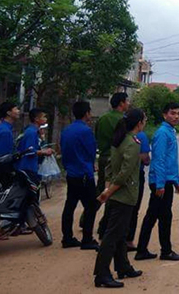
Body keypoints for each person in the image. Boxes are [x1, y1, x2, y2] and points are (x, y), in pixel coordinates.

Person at [93, 109, 147, 288]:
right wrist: (108, 191)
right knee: (112, 236)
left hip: (116, 193)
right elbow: (125, 174)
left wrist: (109, 188)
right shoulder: (133, 143)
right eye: (144, 120)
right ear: (139, 122)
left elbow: (109, 167)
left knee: (121, 233)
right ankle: (101, 273)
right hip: (124, 195)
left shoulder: (119, 140)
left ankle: (123, 266)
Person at [135, 102, 179, 262]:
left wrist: (175, 180)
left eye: (178, 113)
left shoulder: (170, 131)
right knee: (160, 216)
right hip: (160, 182)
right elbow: (159, 160)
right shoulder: (163, 133)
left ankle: (145, 250)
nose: (176, 116)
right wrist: (161, 184)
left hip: (165, 180)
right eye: (172, 113)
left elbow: (171, 161)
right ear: (165, 115)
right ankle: (164, 251)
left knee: (157, 216)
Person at [60, 100, 100, 250]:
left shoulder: (66, 130)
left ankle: (67, 238)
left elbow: (62, 149)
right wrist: (91, 165)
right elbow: (91, 151)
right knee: (90, 206)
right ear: (86, 113)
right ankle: (87, 239)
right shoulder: (86, 131)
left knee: (69, 205)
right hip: (84, 173)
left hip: (71, 172)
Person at [94, 92, 130, 237]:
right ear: (121, 103)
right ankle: (105, 226)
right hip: (115, 160)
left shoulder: (102, 118)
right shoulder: (124, 121)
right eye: (127, 101)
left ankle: (87, 218)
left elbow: (97, 137)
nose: (128, 104)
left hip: (103, 157)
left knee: (101, 190)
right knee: (113, 192)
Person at [125, 128, 151, 251]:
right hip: (135, 176)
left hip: (119, 174)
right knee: (133, 208)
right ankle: (128, 241)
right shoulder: (140, 136)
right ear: (140, 122)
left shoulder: (120, 134)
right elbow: (145, 158)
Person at [16, 108, 53, 181]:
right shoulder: (31, 132)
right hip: (28, 167)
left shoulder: (35, 131)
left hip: (33, 166)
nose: (45, 119)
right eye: (43, 117)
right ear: (36, 119)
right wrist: (44, 152)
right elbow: (29, 151)